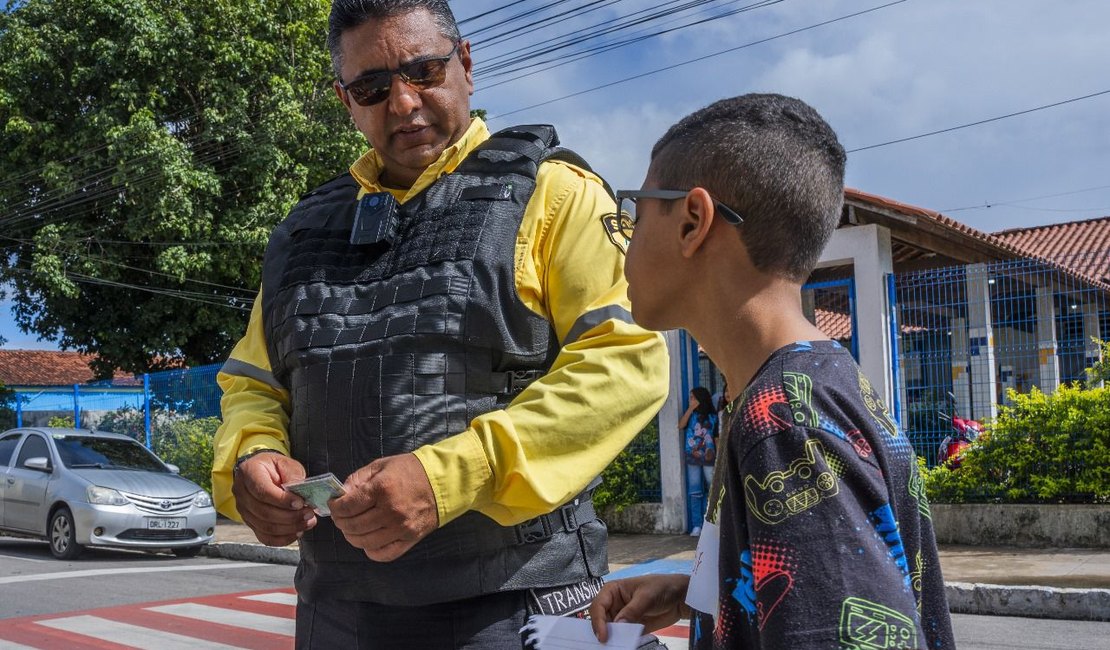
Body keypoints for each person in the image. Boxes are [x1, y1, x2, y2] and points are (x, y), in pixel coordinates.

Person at [209, 1, 669, 647]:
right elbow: (254, 384)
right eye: (372, 88)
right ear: (346, 101)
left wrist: (452, 474)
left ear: (467, 66)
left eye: (423, 71)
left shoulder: (554, 194)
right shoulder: (301, 233)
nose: (402, 104)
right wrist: (253, 457)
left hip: (517, 593)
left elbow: (624, 362)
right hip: (338, 602)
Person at [589, 94, 954, 648]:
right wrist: (700, 595)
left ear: (693, 222)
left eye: (635, 219)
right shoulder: (802, 384)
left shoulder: (782, 419)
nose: (625, 245)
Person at [678, 385, 717, 537]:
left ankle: (711, 523)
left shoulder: (712, 416)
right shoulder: (691, 415)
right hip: (692, 458)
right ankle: (697, 525)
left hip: (709, 458)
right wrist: (689, 409)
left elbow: (715, 436)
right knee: (695, 492)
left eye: (693, 397)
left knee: (711, 490)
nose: (691, 400)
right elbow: (680, 425)